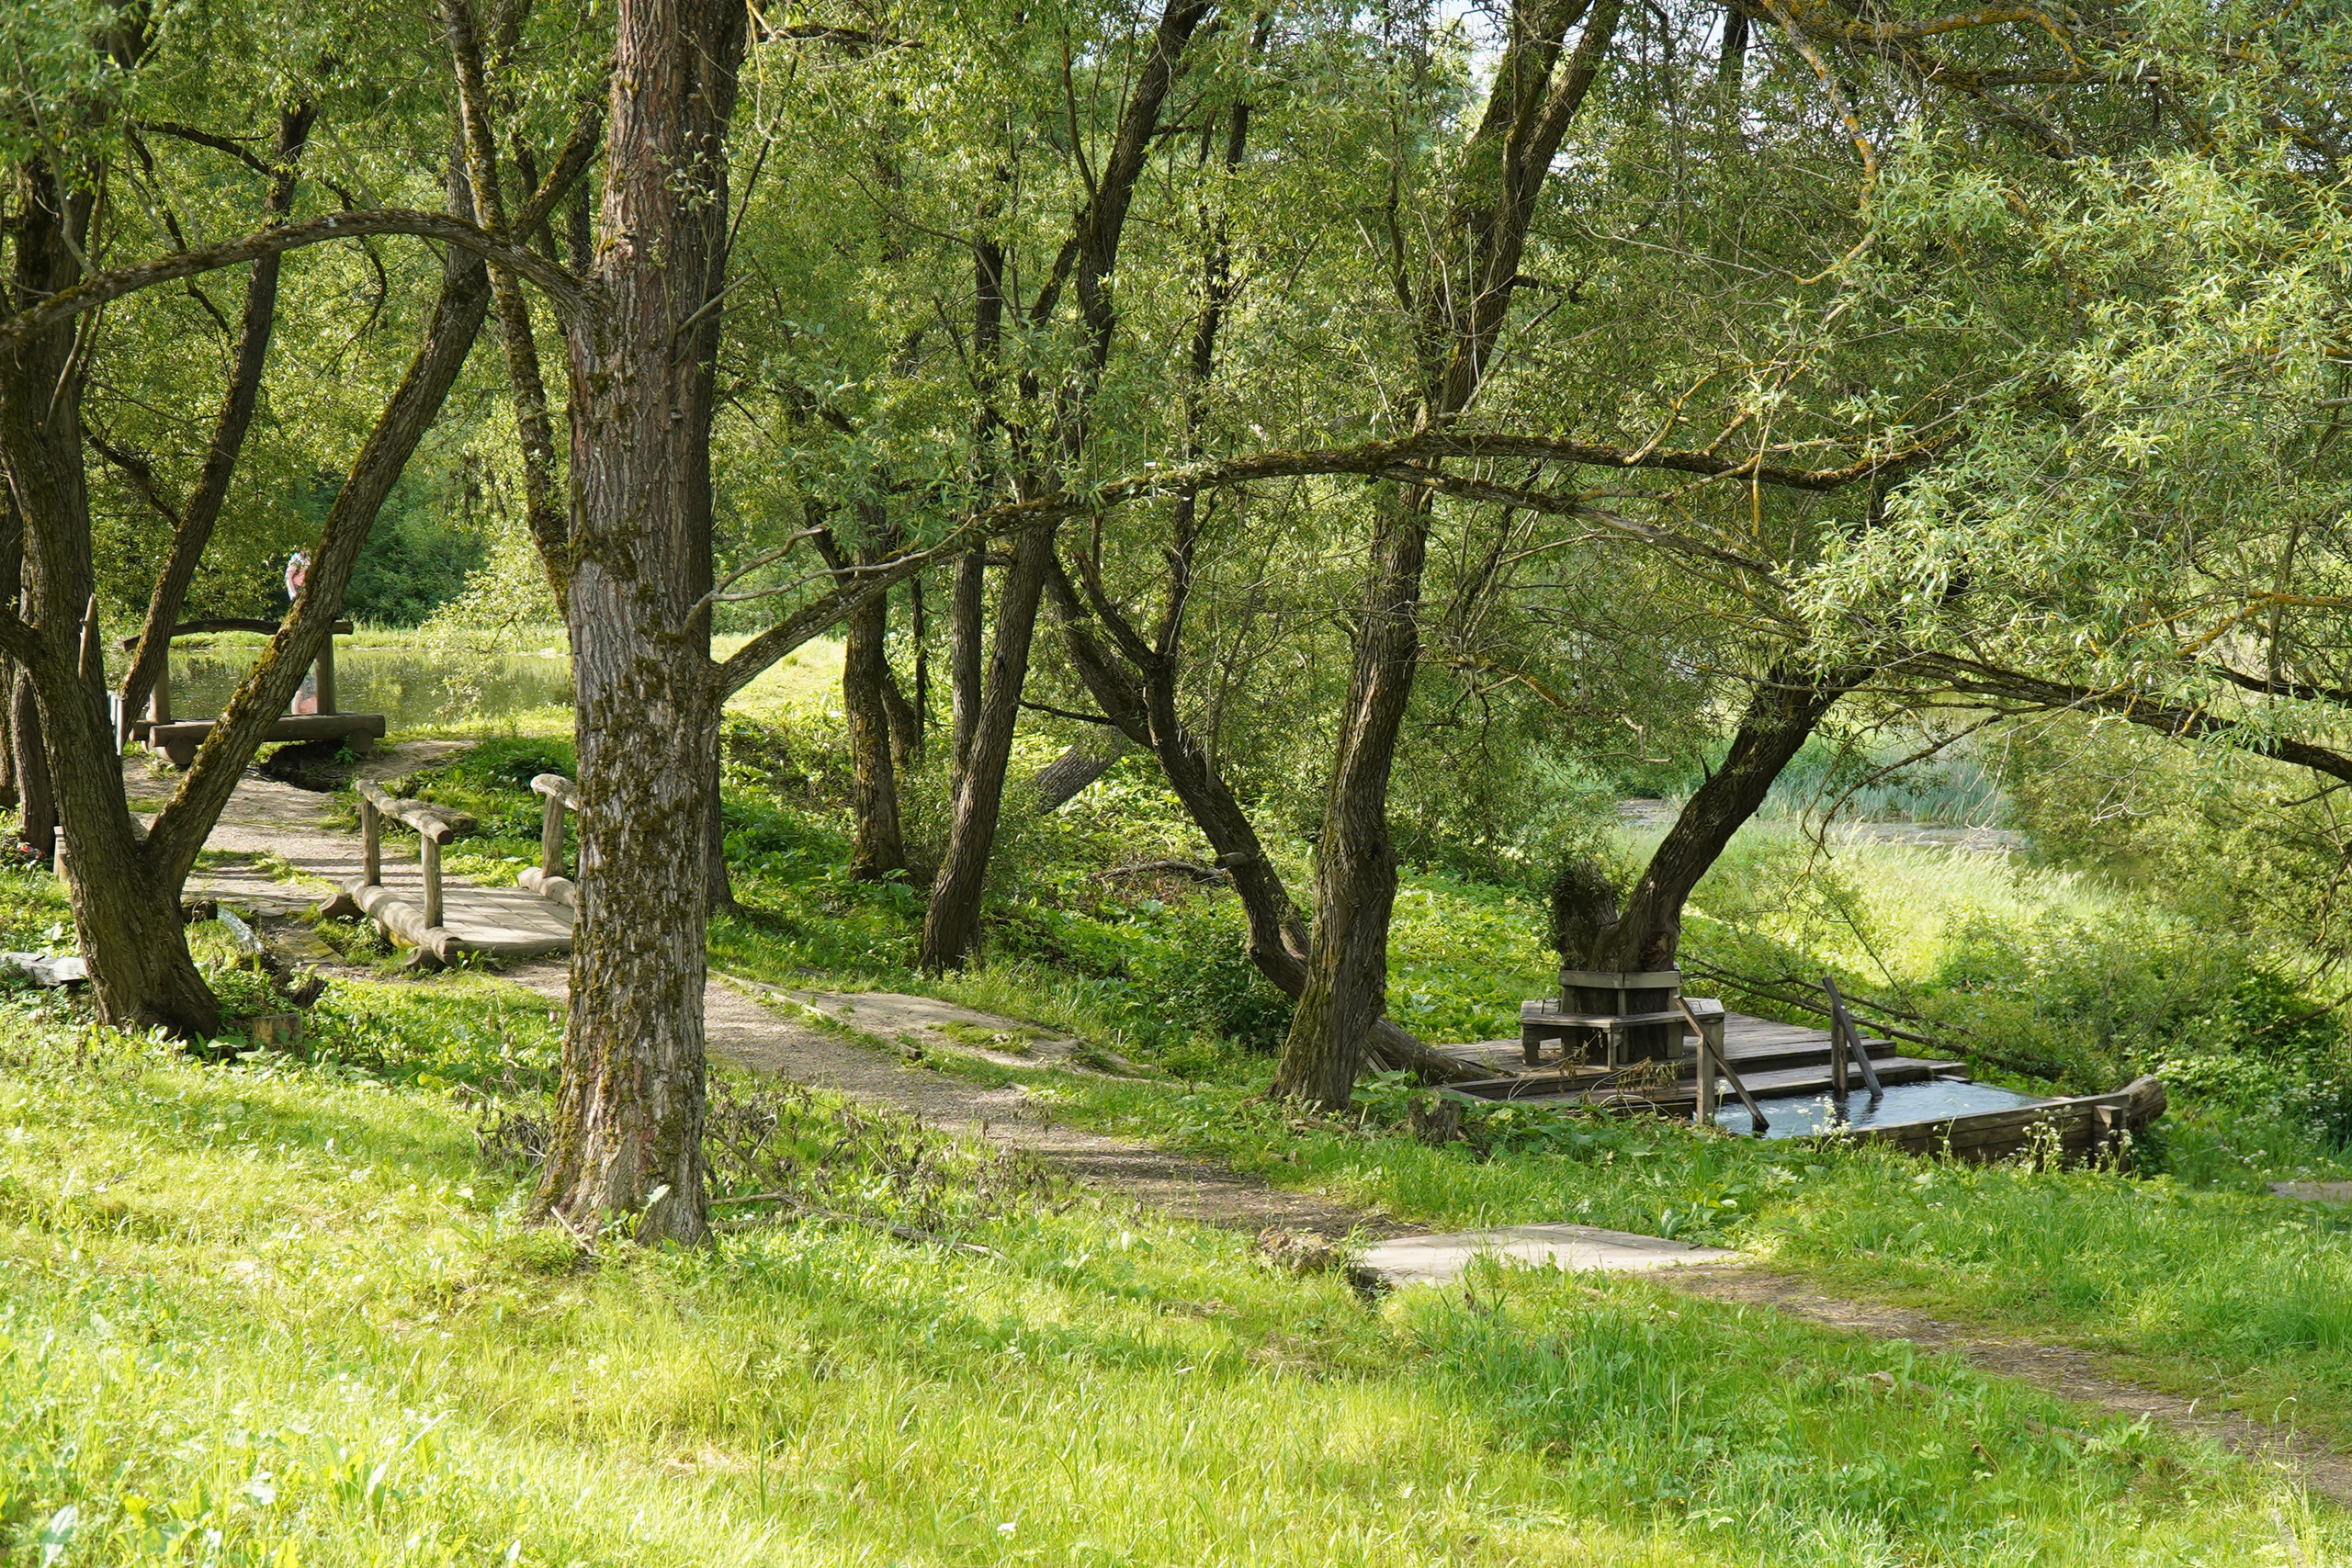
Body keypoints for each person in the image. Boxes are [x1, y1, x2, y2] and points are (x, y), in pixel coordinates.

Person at [284, 551, 319, 715]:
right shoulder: (297, 560)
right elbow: (289, 577)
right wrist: (293, 593)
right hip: (298, 589)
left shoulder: (310, 560)